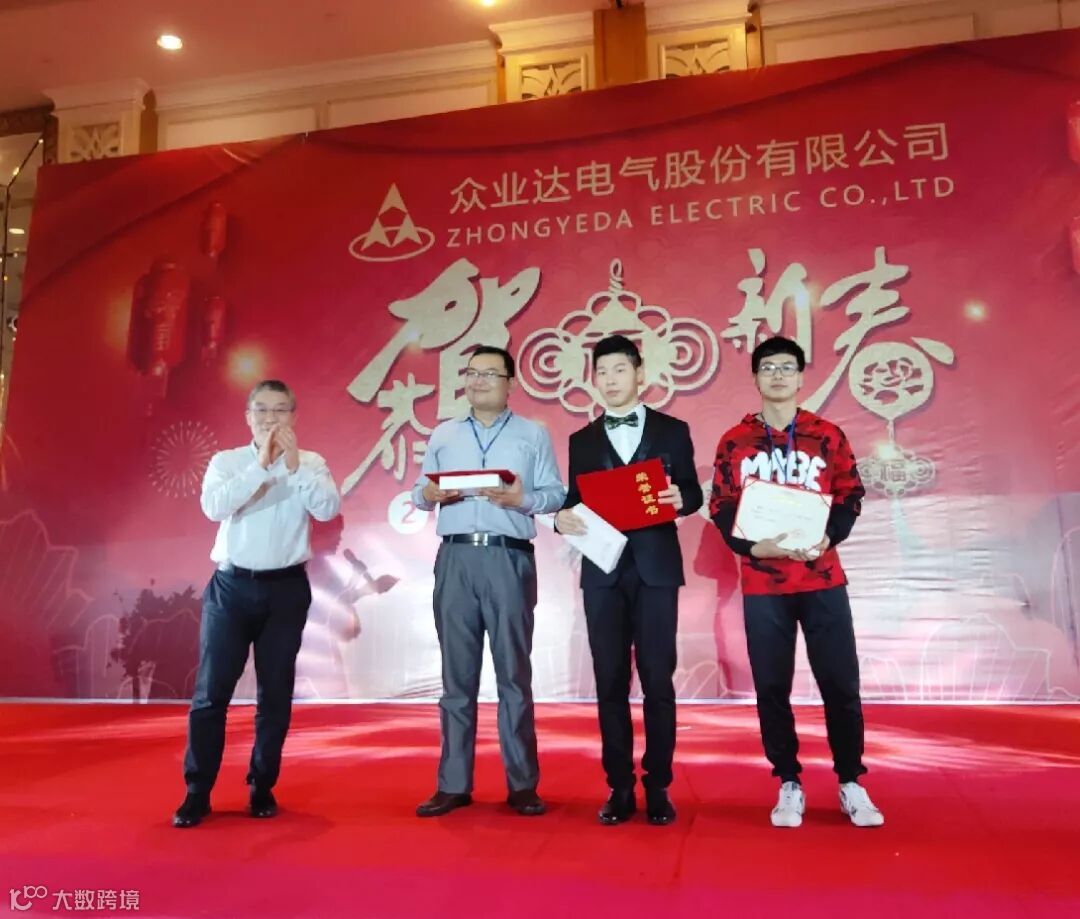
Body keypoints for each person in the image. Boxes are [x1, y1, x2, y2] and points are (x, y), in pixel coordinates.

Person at [709, 336, 884, 828]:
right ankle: (788, 781)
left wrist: (829, 537)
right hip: (763, 584)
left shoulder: (826, 434)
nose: (778, 375)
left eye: (787, 367)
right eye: (768, 367)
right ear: (755, 377)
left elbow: (850, 493)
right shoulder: (735, 441)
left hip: (822, 578)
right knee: (771, 686)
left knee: (840, 683)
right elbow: (721, 505)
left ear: (802, 376)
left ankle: (851, 781)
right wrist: (750, 548)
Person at [172, 380, 341, 828]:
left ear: (294, 417)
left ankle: (262, 785)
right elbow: (214, 507)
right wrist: (262, 465)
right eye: (262, 410)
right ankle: (197, 791)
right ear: (248, 417)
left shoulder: (311, 462)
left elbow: (327, 509)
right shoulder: (226, 461)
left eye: (280, 410)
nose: (271, 419)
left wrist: (292, 465)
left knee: (275, 694)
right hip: (231, 588)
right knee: (211, 694)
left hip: (286, 590)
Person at [412, 346, 566, 818]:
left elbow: (555, 494)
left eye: (489, 374)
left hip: (508, 558)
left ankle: (522, 784)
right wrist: (429, 493)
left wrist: (522, 499)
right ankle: (453, 784)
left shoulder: (532, 434)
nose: (477, 381)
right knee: (455, 679)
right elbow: (419, 493)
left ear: (510, 383)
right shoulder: (444, 433)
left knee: (513, 675)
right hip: (455, 557)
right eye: (471, 373)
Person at [555, 334, 702, 826]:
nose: (610, 379)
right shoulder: (581, 440)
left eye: (620, 369)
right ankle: (618, 785)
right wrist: (560, 519)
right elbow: (573, 502)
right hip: (602, 572)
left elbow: (692, 491)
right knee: (610, 679)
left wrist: (683, 499)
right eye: (602, 372)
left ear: (640, 374)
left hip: (656, 569)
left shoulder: (673, 430)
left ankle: (658, 785)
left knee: (658, 679)